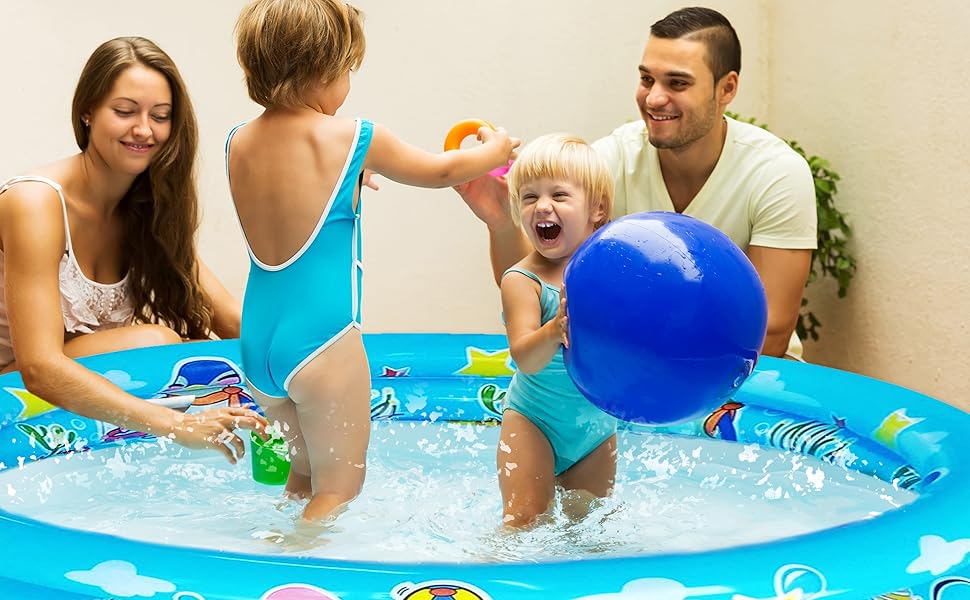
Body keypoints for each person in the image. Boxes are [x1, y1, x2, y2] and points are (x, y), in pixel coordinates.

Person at [230, 0, 518, 522]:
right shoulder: (353, 136)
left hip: (259, 345)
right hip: (323, 342)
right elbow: (440, 170)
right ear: (323, 68)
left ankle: (269, 556)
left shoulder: (238, 142)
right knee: (338, 491)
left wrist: (346, 182)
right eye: (346, 71)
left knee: (302, 479)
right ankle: (297, 574)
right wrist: (495, 150)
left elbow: (288, 200)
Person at [458, 7, 817, 360]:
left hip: (744, 377)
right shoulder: (611, 160)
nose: (654, 98)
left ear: (727, 88)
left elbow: (769, 334)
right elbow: (536, 288)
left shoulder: (776, 173)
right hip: (632, 370)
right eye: (647, 79)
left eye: (677, 83)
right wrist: (501, 221)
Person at [0, 37, 266, 462]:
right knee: (156, 340)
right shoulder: (34, 203)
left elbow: (232, 320)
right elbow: (39, 367)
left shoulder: (147, 209)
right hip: (13, 395)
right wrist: (174, 424)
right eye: (124, 112)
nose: (144, 130)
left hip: (76, 392)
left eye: (160, 117)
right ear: (87, 111)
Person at [497, 134, 617, 528]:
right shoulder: (523, 280)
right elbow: (525, 359)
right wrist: (554, 331)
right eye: (529, 197)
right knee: (523, 522)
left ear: (597, 209)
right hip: (534, 421)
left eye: (559, 195)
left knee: (589, 531)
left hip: (595, 431)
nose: (542, 207)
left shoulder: (611, 272)